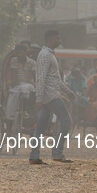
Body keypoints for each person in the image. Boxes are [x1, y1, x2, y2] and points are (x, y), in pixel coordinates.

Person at [29, 30, 76, 164]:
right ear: (50, 39)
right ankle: (57, 152)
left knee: (40, 127)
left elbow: (56, 79)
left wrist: (68, 92)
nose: (59, 41)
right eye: (57, 38)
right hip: (50, 96)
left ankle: (34, 156)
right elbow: (40, 77)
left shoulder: (50, 55)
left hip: (48, 95)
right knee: (66, 120)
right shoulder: (45, 55)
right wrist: (38, 98)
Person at [5, 44, 36, 121]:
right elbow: (13, 74)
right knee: (12, 95)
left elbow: (35, 76)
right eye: (17, 53)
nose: (19, 55)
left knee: (26, 89)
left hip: (29, 85)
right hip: (17, 85)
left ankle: (26, 109)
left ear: (26, 53)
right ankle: (10, 117)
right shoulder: (14, 60)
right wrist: (12, 86)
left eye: (21, 53)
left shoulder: (32, 63)